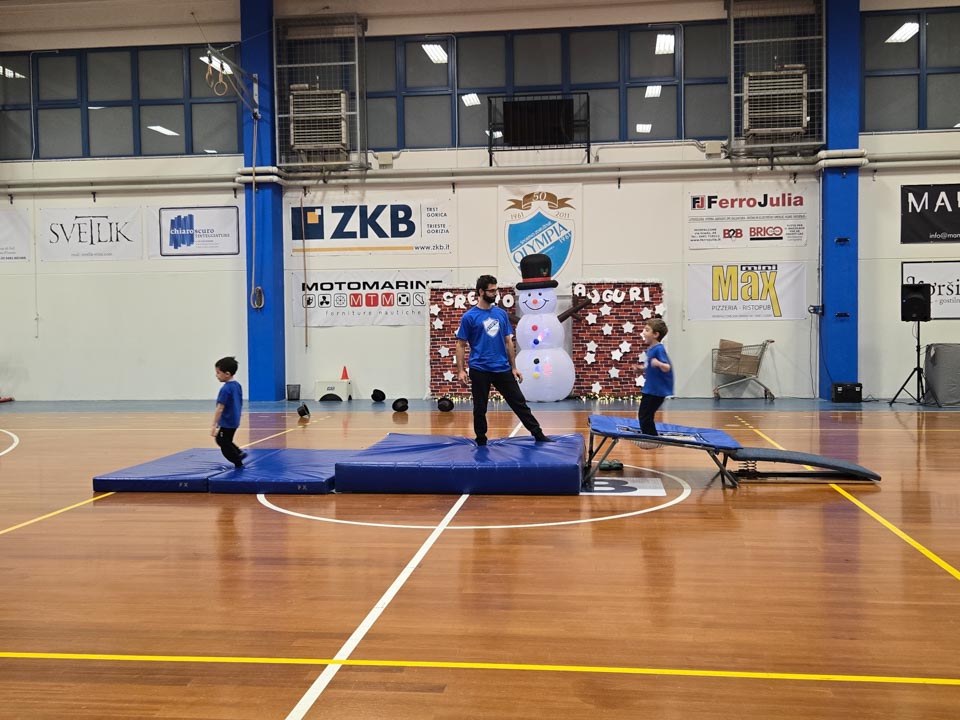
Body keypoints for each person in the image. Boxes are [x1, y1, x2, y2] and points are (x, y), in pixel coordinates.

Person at [455, 274, 553, 446]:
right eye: (491, 291)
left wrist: (514, 367)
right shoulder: (469, 317)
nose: (495, 293)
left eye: (496, 290)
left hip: (502, 368)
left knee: (519, 403)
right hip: (479, 369)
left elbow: (509, 342)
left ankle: (538, 434)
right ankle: (481, 440)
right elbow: (460, 344)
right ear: (481, 292)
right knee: (480, 408)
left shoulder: (501, 314)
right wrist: (461, 370)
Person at [638, 318, 674, 436]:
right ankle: (650, 436)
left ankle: (651, 438)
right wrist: (641, 368)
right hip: (651, 389)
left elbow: (667, 367)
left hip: (656, 391)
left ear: (655, 335)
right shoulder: (651, 349)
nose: (643, 332)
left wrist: (658, 363)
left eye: (647, 330)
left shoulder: (659, 349)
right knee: (645, 415)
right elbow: (650, 366)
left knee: (645, 416)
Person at [211, 356, 246, 468]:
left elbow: (220, 408)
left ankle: (237, 460)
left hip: (227, 421)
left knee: (222, 441)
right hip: (234, 420)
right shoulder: (237, 385)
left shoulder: (225, 389)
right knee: (225, 440)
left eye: (218, 373)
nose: (216, 375)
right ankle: (238, 453)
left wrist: (214, 424)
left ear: (227, 374)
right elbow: (239, 401)